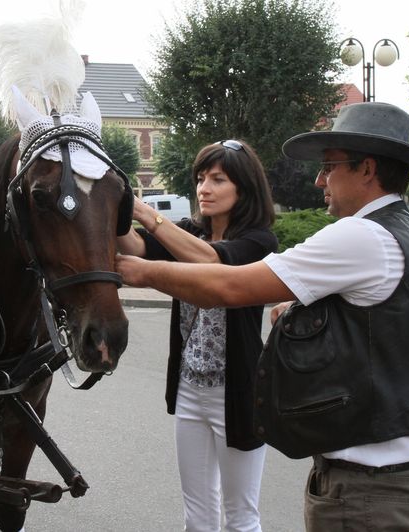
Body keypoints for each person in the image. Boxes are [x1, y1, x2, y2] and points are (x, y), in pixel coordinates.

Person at [116, 102, 409, 531]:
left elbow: (228, 286)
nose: (318, 180)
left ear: (367, 169)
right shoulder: (398, 230)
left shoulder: (362, 235)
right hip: (396, 471)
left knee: (240, 515)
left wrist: (139, 272)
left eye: (329, 166)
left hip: (370, 487)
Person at [118, 140, 278, 532]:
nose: (204, 188)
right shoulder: (189, 231)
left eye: (218, 179)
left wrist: (142, 209)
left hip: (237, 393)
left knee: (241, 516)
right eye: (201, 178)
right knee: (197, 514)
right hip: (191, 389)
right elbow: (137, 246)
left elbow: (212, 261)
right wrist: (115, 205)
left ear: (244, 188)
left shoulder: (259, 241)